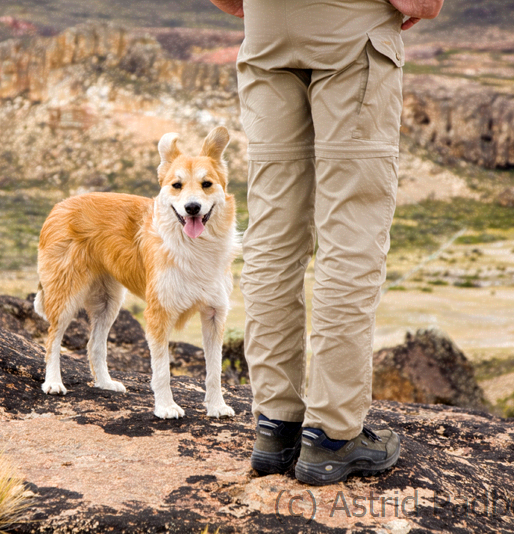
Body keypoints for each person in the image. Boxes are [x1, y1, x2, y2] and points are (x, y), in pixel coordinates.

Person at [209, 0, 443, 485]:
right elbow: (422, 3)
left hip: (268, 35)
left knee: (272, 235)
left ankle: (276, 426)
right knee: (349, 235)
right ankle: (332, 436)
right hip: (351, 36)